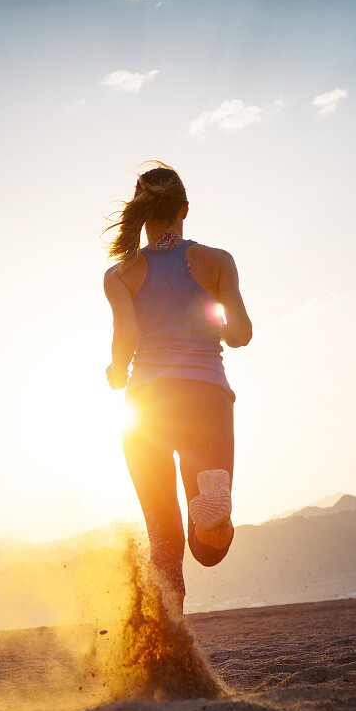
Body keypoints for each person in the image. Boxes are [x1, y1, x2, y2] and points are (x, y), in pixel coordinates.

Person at [103, 163, 253, 614]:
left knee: (162, 531)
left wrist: (114, 372)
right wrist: (219, 328)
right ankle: (214, 504)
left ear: (141, 215)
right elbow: (242, 333)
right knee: (207, 548)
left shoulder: (120, 276)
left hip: (146, 406)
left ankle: (171, 635)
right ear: (185, 209)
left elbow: (124, 347)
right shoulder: (217, 261)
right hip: (205, 398)